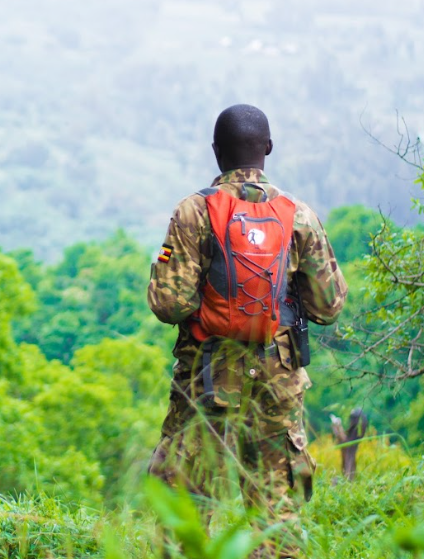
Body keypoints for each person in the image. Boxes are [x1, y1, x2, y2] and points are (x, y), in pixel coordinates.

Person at [146, 104, 347, 558]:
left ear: (216, 152)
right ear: (268, 149)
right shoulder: (299, 216)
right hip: (278, 381)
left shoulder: (194, 211)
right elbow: (329, 305)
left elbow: (168, 303)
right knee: (276, 515)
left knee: (185, 510)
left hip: (207, 377)